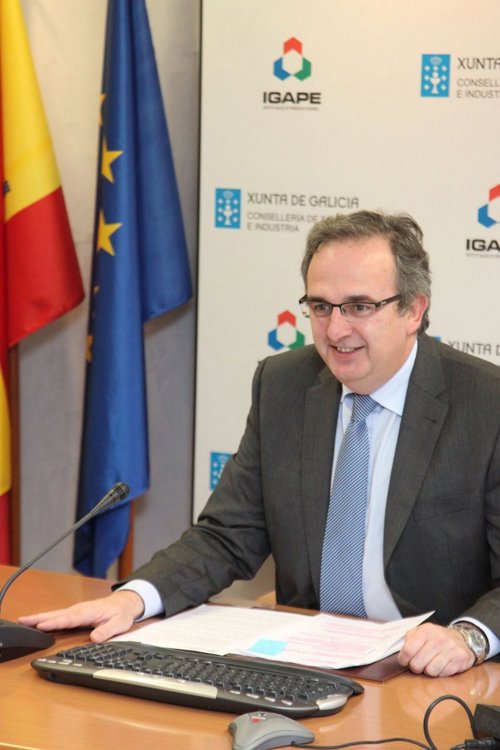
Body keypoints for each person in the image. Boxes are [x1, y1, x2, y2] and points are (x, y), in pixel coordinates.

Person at [20, 210, 500, 678]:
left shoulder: (485, 404)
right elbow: (227, 535)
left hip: (433, 674)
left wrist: (470, 637)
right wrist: (134, 598)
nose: (336, 330)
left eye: (359, 307)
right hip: (308, 662)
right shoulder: (284, 384)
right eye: (321, 307)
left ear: (413, 310)